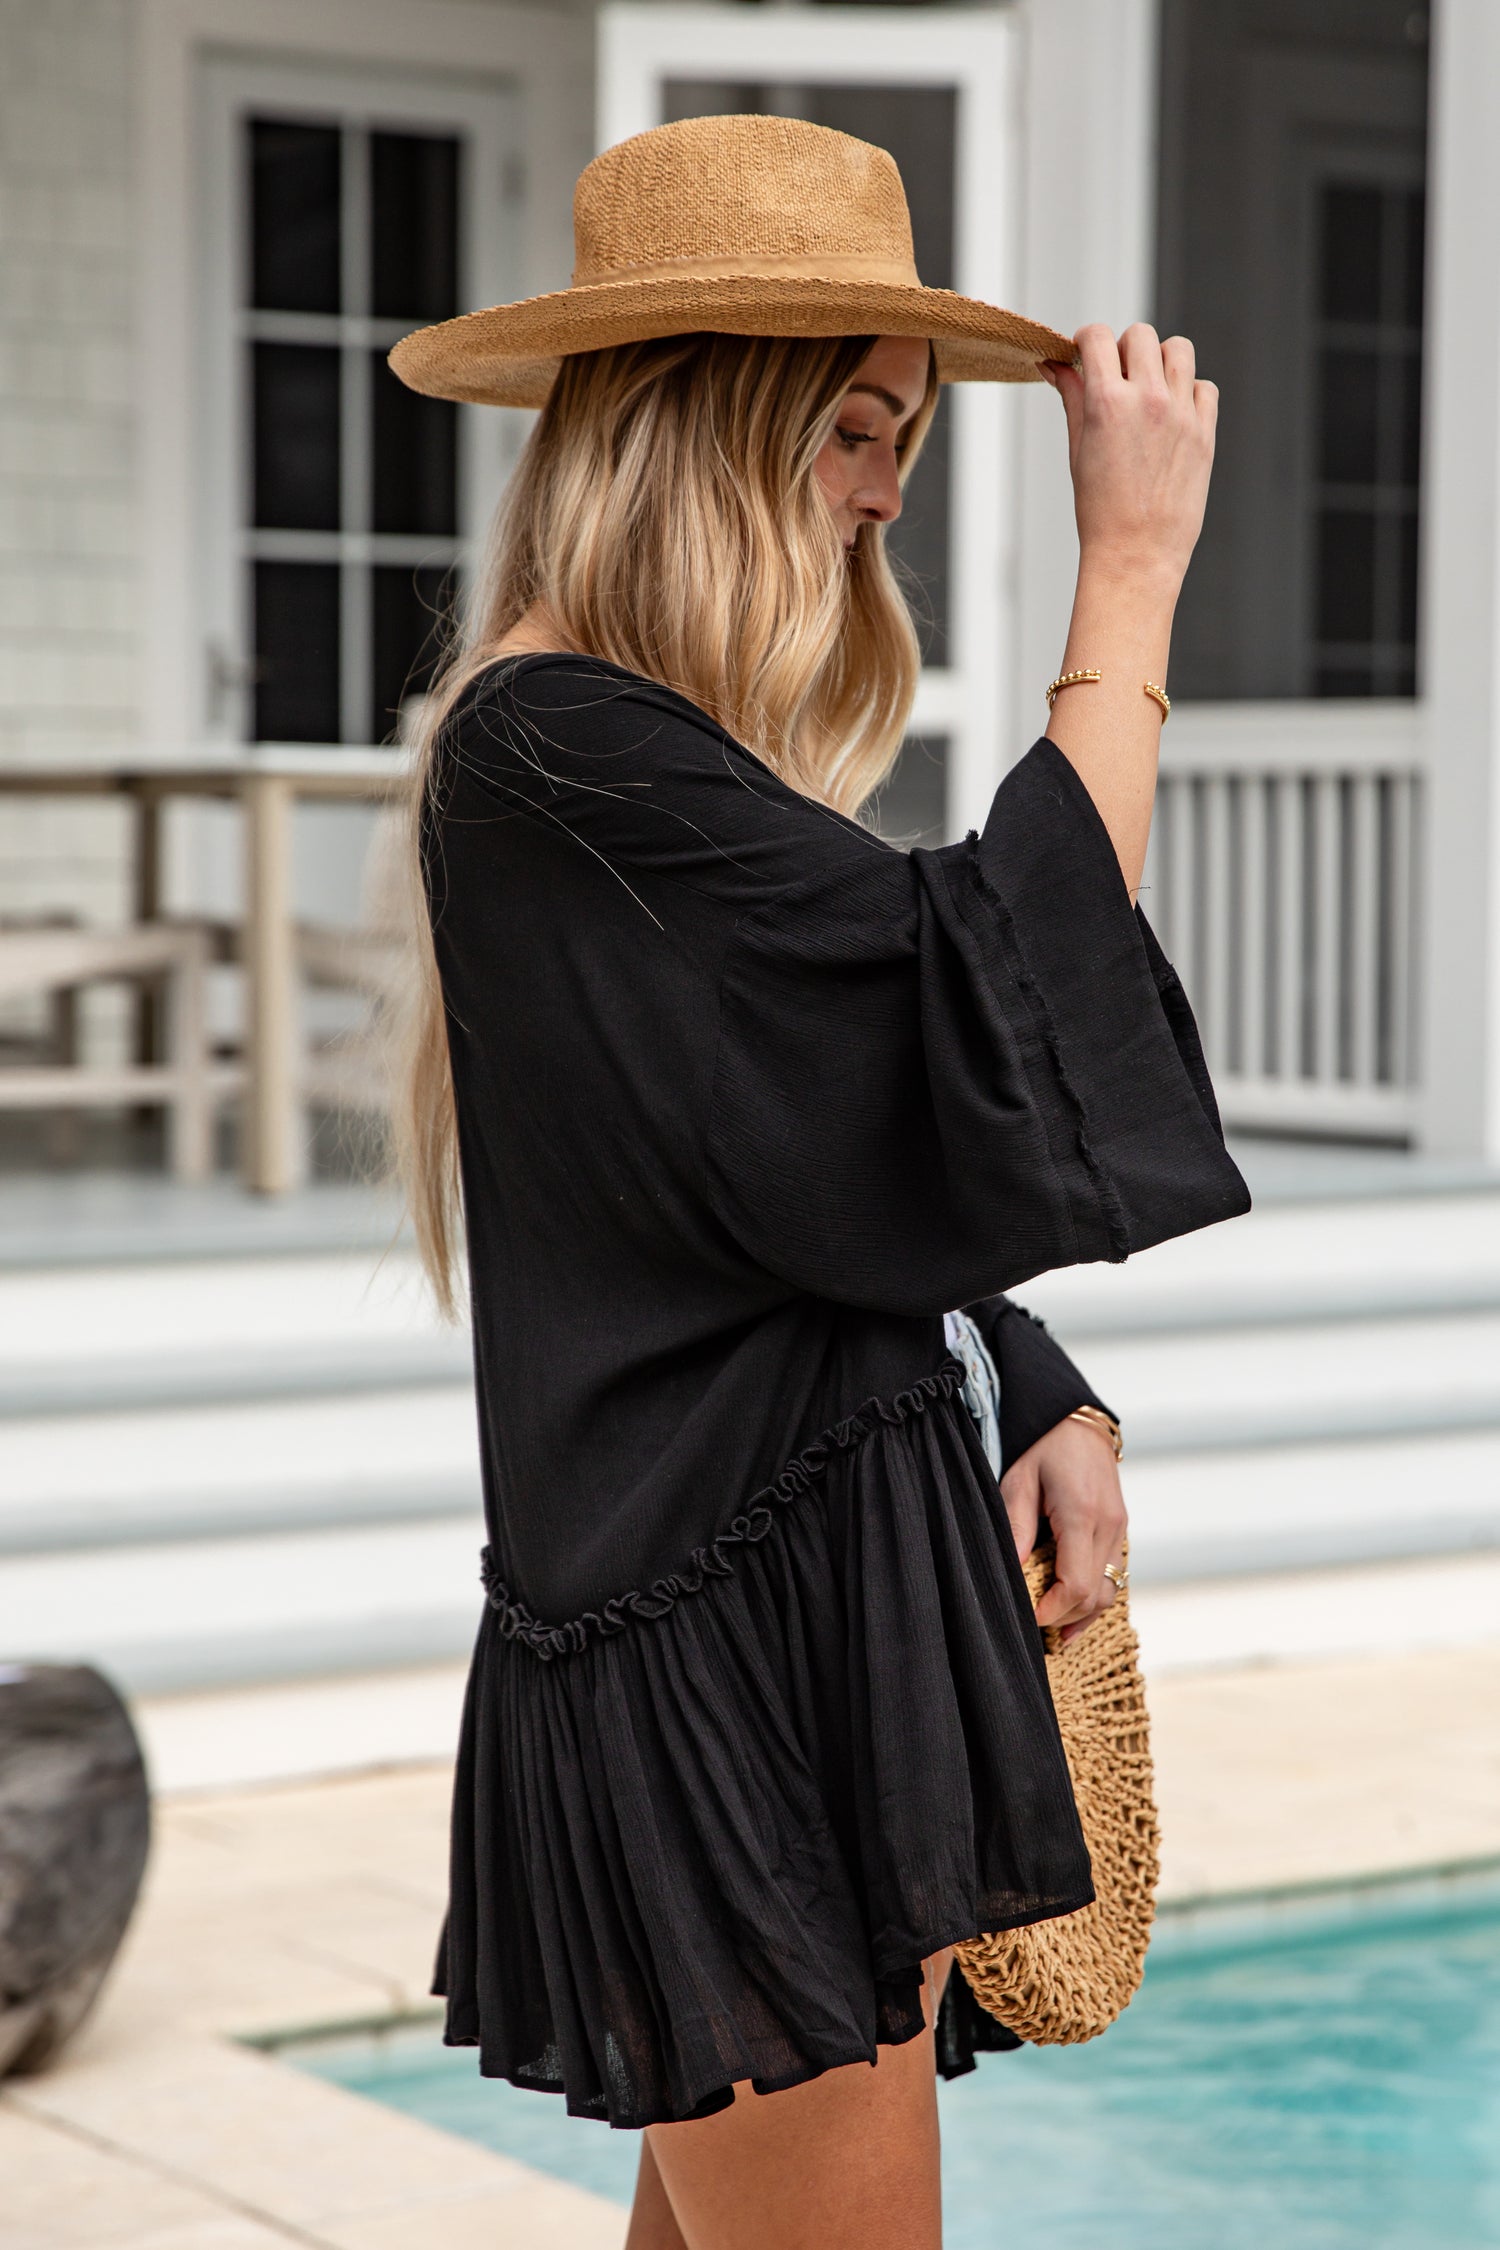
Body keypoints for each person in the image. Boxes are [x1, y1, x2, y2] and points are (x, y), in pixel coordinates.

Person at [387, 113, 1248, 2250]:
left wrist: (1025, 1366)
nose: (883, 494)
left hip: (786, 1628)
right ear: (710, 420)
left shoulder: (627, 759)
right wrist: (1129, 579)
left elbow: (813, 1163)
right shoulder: (556, 748)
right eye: (861, 429)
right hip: (727, 1668)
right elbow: (972, 992)